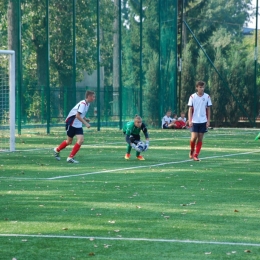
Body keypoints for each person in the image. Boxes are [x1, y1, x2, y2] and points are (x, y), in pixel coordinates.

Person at [53, 90, 96, 163]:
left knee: (81, 140)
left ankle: (70, 158)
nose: (94, 98)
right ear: (88, 97)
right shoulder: (83, 104)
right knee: (69, 141)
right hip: (71, 123)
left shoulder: (87, 104)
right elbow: (77, 115)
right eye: (93, 96)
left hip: (78, 125)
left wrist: (85, 118)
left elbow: (81, 114)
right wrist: (86, 123)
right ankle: (57, 150)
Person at [188, 81, 212, 161]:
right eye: (200, 87)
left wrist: (208, 121)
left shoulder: (207, 97)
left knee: (200, 138)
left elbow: (208, 109)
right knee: (194, 137)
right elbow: (190, 109)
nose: (202, 89)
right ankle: (192, 150)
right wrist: (190, 120)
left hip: (203, 121)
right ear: (197, 88)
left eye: (203, 87)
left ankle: (196, 155)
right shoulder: (192, 97)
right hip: (195, 121)